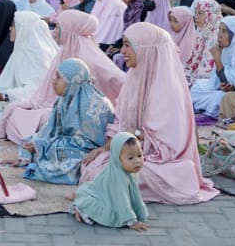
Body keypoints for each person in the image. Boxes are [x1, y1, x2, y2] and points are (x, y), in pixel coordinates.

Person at [76, 23, 219, 205]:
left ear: (145, 50)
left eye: (128, 45)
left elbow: (167, 146)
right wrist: (105, 148)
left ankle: (103, 191)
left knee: (120, 172)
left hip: (162, 162)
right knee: (94, 163)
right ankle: (104, 188)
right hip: (134, 150)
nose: (123, 51)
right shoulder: (135, 77)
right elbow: (121, 124)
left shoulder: (168, 89)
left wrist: (131, 134)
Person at [1, 10, 124, 140]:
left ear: (68, 29)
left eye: (58, 27)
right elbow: (46, 95)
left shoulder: (89, 56)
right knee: (14, 113)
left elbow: (119, 80)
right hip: (57, 107)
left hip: (84, 116)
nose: (54, 33)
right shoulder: (64, 51)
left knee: (44, 120)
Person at [16, 58, 114, 185]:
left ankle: (40, 161)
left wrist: (43, 146)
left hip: (89, 150)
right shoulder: (64, 99)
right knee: (30, 140)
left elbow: (87, 144)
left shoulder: (89, 103)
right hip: (69, 143)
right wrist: (40, 143)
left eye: (59, 78)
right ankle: (36, 157)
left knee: (64, 154)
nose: (54, 81)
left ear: (72, 80)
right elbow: (52, 130)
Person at [0, 11, 59, 124]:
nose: (10, 29)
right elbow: (5, 81)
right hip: (18, 98)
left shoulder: (39, 54)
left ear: (24, 28)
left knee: (16, 116)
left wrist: (3, 96)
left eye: (13, 25)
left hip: (37, 104)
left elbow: (36, 92)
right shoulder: (20, 49)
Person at [72, 131, 148, 230]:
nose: (137, 161)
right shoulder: (119, 177)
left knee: (85, 192)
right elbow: (122, 199)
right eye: (130, 158)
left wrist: (140, 212)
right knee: (100, 211)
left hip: (105, 191)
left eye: (139, 155)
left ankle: (78, 195)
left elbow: (134, 194)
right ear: (118, 158)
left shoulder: (129, 171)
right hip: (101, 194)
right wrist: (132, 221)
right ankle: (80, 207)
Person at [189, 16, 235, 117]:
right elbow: (219, 81)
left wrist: (217, 59)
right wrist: (220, 85)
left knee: (220, 97)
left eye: (224, 31)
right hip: (221, 91)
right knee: (196, 87)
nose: (219, 35)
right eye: (219, 29)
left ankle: (215, 108)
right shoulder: (226, 50)